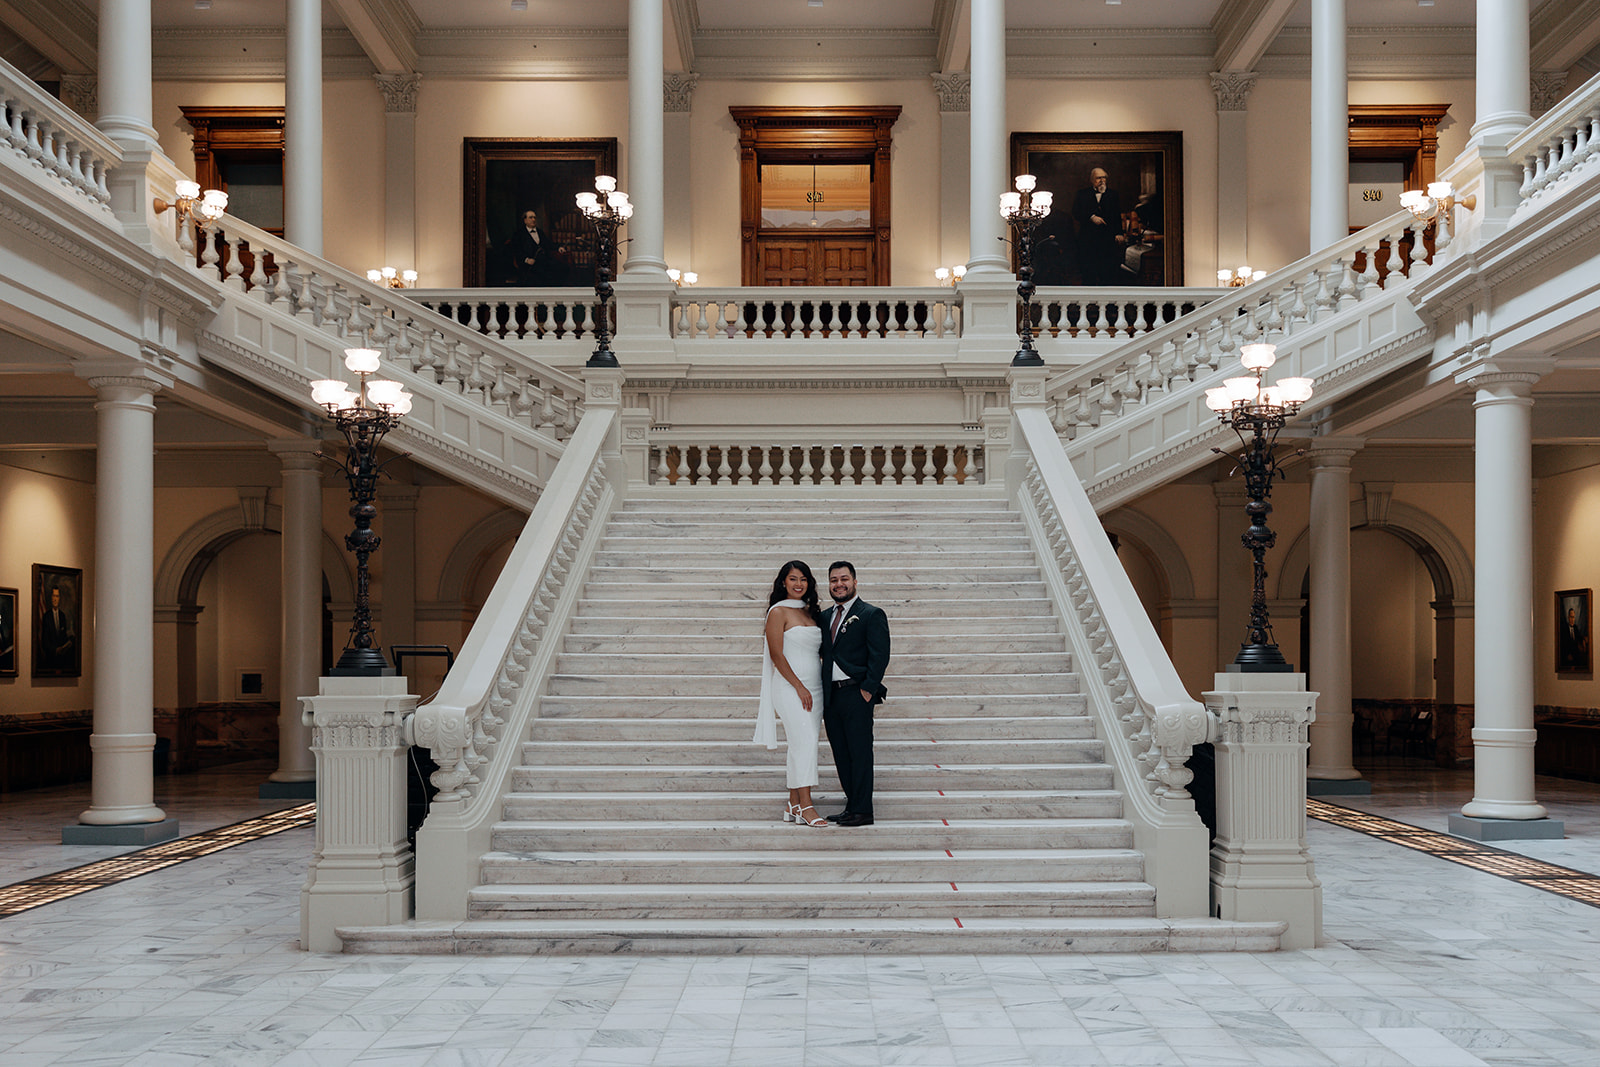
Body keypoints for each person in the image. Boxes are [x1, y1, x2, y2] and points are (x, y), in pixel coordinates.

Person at [753, 561, 830, 827]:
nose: (799, 584)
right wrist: (798, 686)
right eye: (793, 579)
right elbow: (776, 654)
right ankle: (807, 807)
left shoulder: (811, 613)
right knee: (805, 741)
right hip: (789, 687)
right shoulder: (778, 612)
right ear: (783, 583)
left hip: (815, 688)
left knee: (802, 743)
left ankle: (793, 804)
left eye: (804, 579)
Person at [820, 561, 890, 827]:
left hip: (856, 693)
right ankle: (852, 805)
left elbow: (880, 655)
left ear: (855, 581)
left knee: (860, 752)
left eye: (844, 579)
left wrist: (867, 689)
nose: (839, 584)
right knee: (841, 752)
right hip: (832, 696)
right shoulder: (825, 617)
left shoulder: (871, 614)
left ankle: (863, 810)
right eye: (834, 580)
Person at [1070, 166, 1124, 285]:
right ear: (1092, 180)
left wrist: (1119, 233)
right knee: (1088, 272)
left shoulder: (1113, 194)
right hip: (1088, 239)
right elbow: (1076, 212)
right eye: (1098, 178)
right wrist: (1091, 217)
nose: (1102, 181)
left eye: (1104, 177)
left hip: (1107, 239)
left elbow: (1116, 215)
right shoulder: (1082, 194)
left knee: (1107, 272)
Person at [503, 209, 557, 286]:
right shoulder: (519, 234)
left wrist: (558, 248)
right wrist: (526, 259)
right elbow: (516, 250)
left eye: (534, 217)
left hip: (542, 261)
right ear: (525, 220)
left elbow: (548, 244)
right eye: (531, 217)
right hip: (528, 264)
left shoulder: (540, 232)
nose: (533, 220)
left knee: (560, 268)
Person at [37, 582, 74, 672]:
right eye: (53, 596)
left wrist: (67, 644)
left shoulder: (62, 616)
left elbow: (63, 636)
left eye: (57, 596)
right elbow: (44, 641)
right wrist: (55, 650)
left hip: (61, 660)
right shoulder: (46, 616)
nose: (55, 599)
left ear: (59, 598)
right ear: (51, 597)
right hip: (50, 659)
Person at [1559, 604, 1589, 671]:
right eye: (1571, 617)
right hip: (1568, 654)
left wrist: (1583, 641)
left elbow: (1579, 637)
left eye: (1573, 617)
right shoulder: (1564, 629)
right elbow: (1563, 644)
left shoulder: (1575, 627)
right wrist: (1568, 654)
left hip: (1575, 653)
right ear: (1568, 617)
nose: (1572, 619)